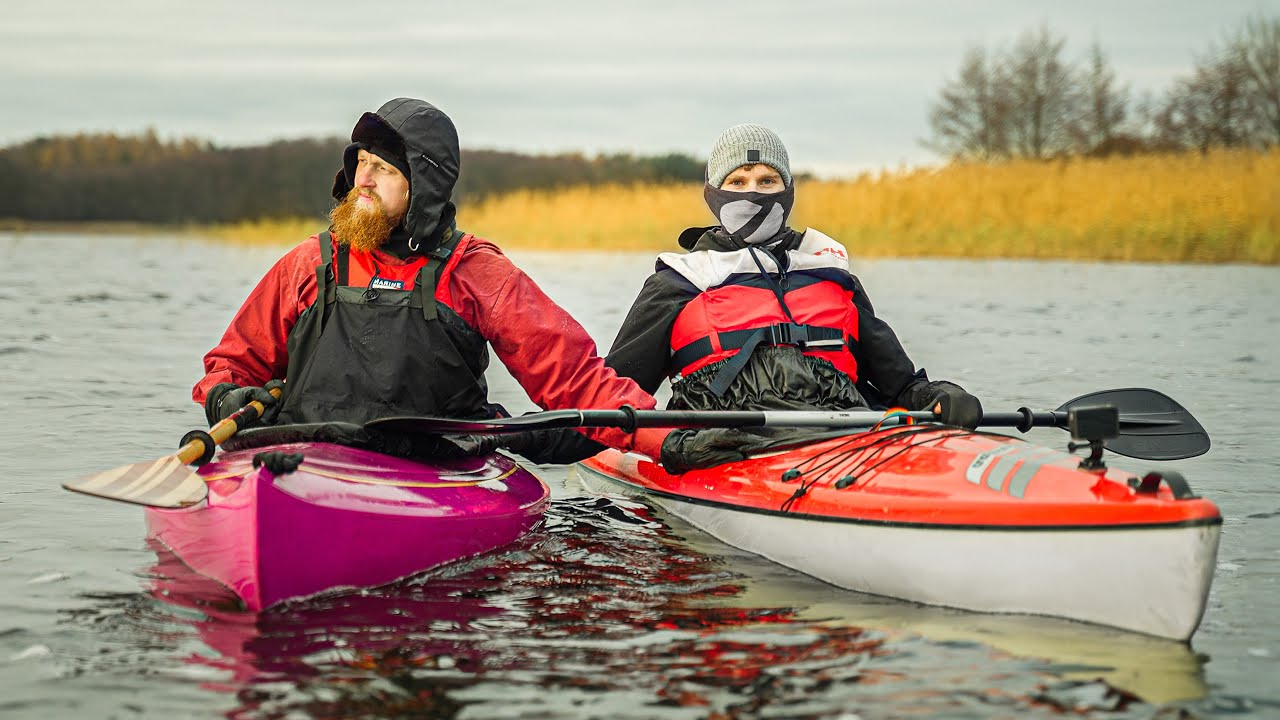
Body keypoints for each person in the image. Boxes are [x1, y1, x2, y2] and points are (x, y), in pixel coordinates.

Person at [193, 97, 668, 463]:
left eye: (382, 168)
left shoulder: (476, 272)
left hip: (434, 468)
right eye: (361, 163)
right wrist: (225, 396)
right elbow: (231, 364)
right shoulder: (310, 264)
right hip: (307, 464)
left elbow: (576, 380)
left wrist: (670, 441)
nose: (364, 179)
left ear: (423, 184)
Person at [604, 123, 982, 472]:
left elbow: (899, 386)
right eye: (737, 181)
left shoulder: (831, 276)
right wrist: (670, 446)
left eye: (767, 180)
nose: (753, 191)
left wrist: (943, 395)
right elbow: (610, 401)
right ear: (714, 194)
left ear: (787, 190)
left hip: (844, 440)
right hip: (726, 451)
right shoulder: (679, 283)